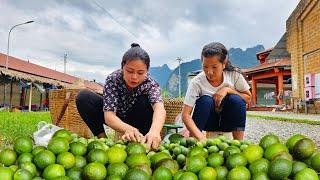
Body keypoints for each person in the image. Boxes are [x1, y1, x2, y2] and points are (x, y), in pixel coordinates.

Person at [76, 43, 166, 149]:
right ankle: (102, 140)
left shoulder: (150, 83)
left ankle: (145, 141)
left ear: (147, 71)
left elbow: (160, 108)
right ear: (122, 67)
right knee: (83, 97)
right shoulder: (113, 79)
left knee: (145, 100)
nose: (134, 77)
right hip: (116, 116)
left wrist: (155, 131)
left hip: (137, 118)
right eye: (130, 71)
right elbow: (109, 116)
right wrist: (128, 129)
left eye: (140, 73)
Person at [182, 42, 251, 140]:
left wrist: (228, 90)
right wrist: (201, 137)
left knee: (236, 99)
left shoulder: (234, 75)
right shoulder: (197, 82)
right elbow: (185, 115)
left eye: (214, 67)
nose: (209, 72)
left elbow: (248, 98)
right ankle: (194, 141)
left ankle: (238, 143)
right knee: (205, 100)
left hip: (228, 122)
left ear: (224, 64)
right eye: (205, 67)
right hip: (208, 123)